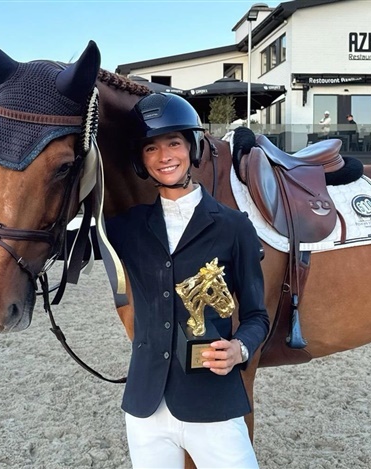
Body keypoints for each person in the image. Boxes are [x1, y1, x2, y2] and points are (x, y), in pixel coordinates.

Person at [106, 93, 269, 468]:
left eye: (174, 143)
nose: (164, 156)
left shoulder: (235, 227)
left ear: (192, 147)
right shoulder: (125, 228)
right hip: (145, 409)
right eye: (151, 148)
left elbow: (257, 316)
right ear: (141, 159)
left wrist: (240, 349)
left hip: (214, 403)